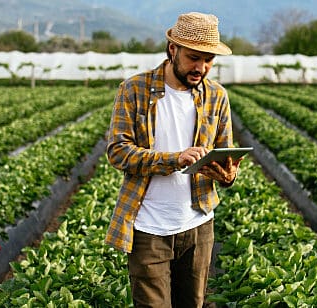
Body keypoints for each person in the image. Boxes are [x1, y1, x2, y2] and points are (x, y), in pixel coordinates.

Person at [104, 12, 241, 307]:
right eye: (194, 58)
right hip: (148, 226)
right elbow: (117, 150)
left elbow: (225, 152)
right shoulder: (134, 90)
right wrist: (174, 159)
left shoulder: (217, 96)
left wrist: (228, 175)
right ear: (172, 49)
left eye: (208, 60)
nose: (201, 68)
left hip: (198, 224)